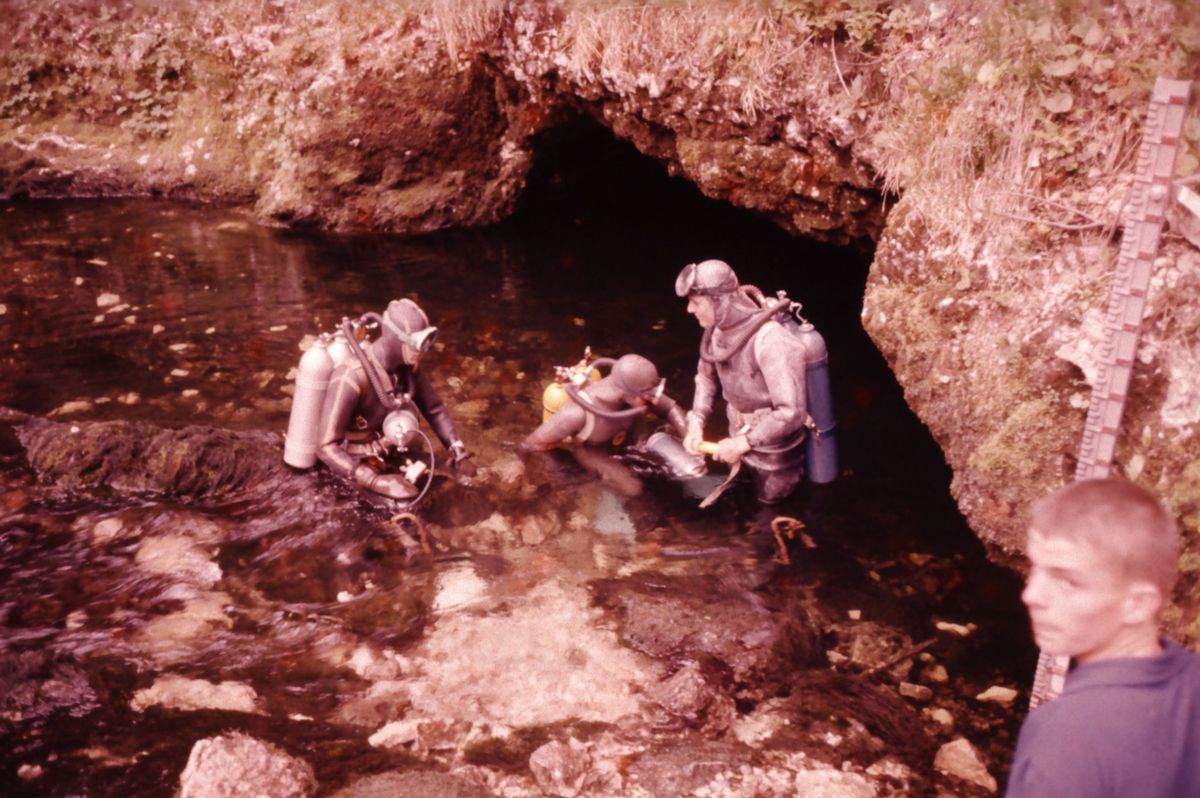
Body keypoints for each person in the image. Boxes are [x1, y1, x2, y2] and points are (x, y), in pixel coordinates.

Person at [1006, 477, 1200, 797]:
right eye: (1035, 568)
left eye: (1068, 582)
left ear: (1138, 604)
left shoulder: (1065, 738)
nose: (1031, 595)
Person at [675, 259, 810, 504]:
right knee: (742, 499)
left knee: (770, 507)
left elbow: (791, 413)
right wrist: (696, 421)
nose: (689, 310)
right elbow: (705, 377)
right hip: (737, 431)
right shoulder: (716, 330)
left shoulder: (771, 341)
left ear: (720, 300)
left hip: (775, 450)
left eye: (696, 303)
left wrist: (742, 443)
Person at [316, 298, 474, 500]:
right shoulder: (351, 377)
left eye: (427, 343)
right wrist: (374, 481)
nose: (423, 351)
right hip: (353, 463)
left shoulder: (407, 369)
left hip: (390, 451)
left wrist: (458, 452)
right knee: (407, 506)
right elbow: (326, 447)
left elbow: (434, 409)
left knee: (458, 478)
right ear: (396, 340)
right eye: (418, 344)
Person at [520, 353, 688, 452]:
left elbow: (670, 408)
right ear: (629, 394)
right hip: (594, 453)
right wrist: (519, 465)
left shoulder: (639, 389)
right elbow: (531, 443)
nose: (654, 399)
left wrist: (689, 437)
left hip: (628, 441)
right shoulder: (576, 414)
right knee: (632, 488)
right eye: (648, 395)